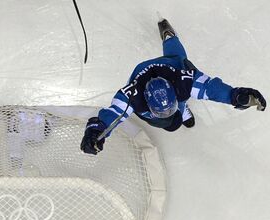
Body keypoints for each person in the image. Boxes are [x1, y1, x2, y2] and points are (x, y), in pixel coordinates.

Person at [81, 18, 266, 155]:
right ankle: (170, 39)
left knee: (180, 63)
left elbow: (210, 88)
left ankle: (170, 39)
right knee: (175, 114)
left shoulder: (184, 80)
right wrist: (97, 129)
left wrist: (234, 95)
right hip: (147, 73)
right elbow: (113, 114)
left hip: (172, 68)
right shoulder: (131, 96)